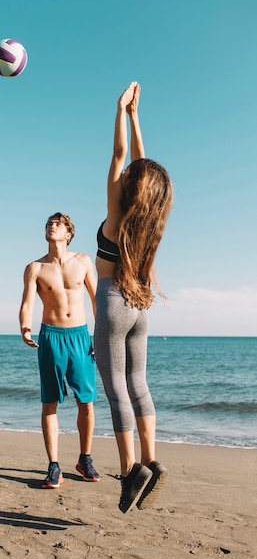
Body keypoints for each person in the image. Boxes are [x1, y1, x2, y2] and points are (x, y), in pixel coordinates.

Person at [94, 82, 173, 513]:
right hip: (140, 305)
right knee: (139, 386)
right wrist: (136, 116)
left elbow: (121, 158)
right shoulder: (147, 222)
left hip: (111, 300)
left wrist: (118, 111)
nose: (123, 176)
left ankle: (129, 473)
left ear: (130, 187)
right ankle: (151, 460)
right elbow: (141, 166)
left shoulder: (115, 212)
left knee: (116, 391)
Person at [19, 213, 99, 489]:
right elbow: (27, 303)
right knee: (50, 402)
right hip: (51, 335)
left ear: (68, 233)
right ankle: (53, 466)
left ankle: (85, 459)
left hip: (80, 335)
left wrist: (101, 334)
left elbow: (96, 299)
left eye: (58, 224)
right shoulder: (35, 268)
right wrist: (25, 328)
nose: (51, 226)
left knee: (86, 401)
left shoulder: (83, 261)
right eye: (49, 224)